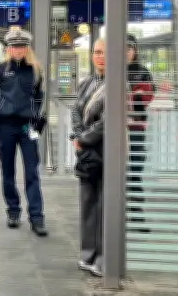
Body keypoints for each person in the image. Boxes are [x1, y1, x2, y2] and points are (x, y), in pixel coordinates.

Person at [0, 26, 47, 235]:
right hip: (5, 127)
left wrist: (34, 116)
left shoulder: (35, 71)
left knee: (32, 171)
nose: (18, 50)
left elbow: (39, 97)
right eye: (14, 46)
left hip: (27, 126)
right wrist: (0, 112)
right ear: (8, 48)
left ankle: (37, 216)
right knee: (8, 171)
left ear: (27, 48)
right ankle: (13, 210)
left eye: (22, 46)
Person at [71, 37, 107, 278]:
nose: (100, 57)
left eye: (105, 52)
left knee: (105, 205)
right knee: (88, 202)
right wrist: (78, 135)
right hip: (87, 151)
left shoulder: (118, 84)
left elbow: (109, 120)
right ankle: (87, 253)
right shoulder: (86, 83)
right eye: (96, 52)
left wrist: (83, 138)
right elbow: (75, 110)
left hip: (106, 150)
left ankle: (104, 259)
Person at [125, 33, 155, 231]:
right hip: (113, 128)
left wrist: (133, 95)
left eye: (129, 48)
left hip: (136, 127)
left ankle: (135, 212)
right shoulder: (109, 69)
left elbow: (146, 96)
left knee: (135, 170)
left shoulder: (142, 72)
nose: (126, 52)